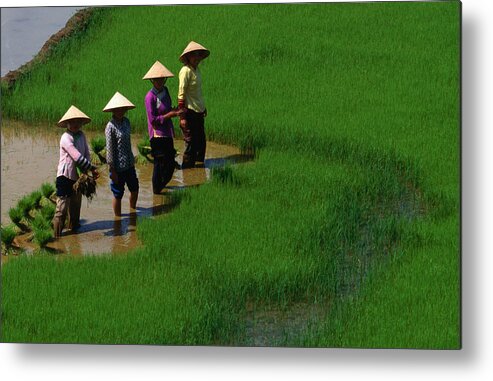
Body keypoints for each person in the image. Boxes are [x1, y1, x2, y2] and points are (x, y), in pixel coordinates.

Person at [53, 105, 99, 238]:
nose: (75, 124)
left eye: (77, 122)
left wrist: (89, 173)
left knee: (75, 208)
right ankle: (57, 237)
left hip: (77, 177)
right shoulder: (65, 138)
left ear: (81, 123)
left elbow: (86, 154)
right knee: (61, 208)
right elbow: (77, 156)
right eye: (72, 122)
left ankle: (74, 236)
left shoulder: (82, 136)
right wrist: (92, 168)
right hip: (65, 176)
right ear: (67, 123)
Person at [143, 61, 183, 194]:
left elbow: (167, 108)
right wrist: (170, 114)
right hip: (157, 134)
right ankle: (157, 190)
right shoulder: (149, 97)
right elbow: (153, 120)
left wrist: (175, 111)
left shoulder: (165, 91)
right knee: (159, 164)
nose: (159, 81)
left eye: (161, 79)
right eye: (156, 79)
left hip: (167, 132)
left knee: (170, 163)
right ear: (152, 81)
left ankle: (161, 186)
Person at [103, 91, 139, 217]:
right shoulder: (110, 127)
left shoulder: (127, 122)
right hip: (117, 167)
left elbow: (128, 143)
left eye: (122, 108)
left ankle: (132, 211)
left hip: (129, 164)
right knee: (118, 194)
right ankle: (117, 219)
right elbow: (110, 149)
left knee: (135, 189)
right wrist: (112, 169)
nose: (120, 111)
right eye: (117, 109)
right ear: (113, 110)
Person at [177, 41, 210, 168]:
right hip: (189, 112)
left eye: (198, 55)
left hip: (199, 111)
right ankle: (187, 170)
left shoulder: (196, 70)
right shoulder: (185, 71)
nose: (196, 58)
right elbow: (181, 94)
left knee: (201, 142)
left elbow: (197, 92)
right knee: (191, 144)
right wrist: (182, 117)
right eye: (193, 55)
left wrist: (203, 107)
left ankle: (199, 170)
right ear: (188, 57)